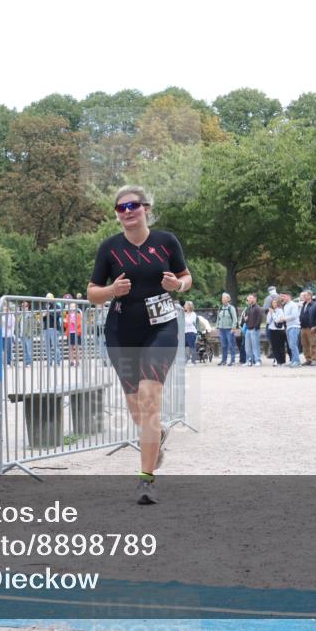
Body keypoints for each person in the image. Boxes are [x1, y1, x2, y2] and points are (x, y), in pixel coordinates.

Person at [87, 184, 192, 505]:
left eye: (133, 206)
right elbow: (92, 293)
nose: (128, 212)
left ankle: (146, 480)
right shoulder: (110, 248)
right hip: (121, 333)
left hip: (160, 331)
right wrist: (111, 291)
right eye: (121, 208)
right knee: (138, 413)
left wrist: (179, 284)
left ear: (146, 208)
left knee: (149, 401)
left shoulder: (166, 242)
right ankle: (156, 435)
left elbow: (187, 278)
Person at [299, 291, 316, 366]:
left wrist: (315, 326)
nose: (304, 296)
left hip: (311, 328)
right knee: (304, 345)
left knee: (313, 344)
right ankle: (308, 359)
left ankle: (315, 360)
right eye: (303, 295)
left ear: (310, 296)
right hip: (303, 328)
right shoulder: (304, 304)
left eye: (305, 295)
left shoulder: (315, 305)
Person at [215, 292, 237, 366]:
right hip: (222, 329)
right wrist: (217, 326)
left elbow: (235, 319)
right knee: (223, 346)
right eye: (222, 298)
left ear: (228, 299)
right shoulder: (220, 308)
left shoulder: (231, 308)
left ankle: (232, 361)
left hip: (229, 329)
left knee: (231, 345)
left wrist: (233, 327)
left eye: (224, 298)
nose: (222, 299)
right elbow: (218, 318)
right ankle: (223, 361)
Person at [41, 294, 63, 367]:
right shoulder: (45, 306)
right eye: (46, 298)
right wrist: (43, 315)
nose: (47, 300)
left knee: (55, 346)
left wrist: (48, 312)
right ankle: (49, 362)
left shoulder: (57, 306)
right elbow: (43, 318)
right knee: (47, 347)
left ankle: (58, 362)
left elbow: (56, 316)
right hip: (46, 329)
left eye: (49, 298)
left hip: (54, 328)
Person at [242, 293, 263, 367]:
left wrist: (255, 327)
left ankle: (257, 360)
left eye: (251, 298)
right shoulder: (248, 308)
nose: (249, 299)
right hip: (248, 329)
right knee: (247, 347)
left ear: (255, 299)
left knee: (255, 346)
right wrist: (245, 320)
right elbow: (245, 319)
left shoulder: (258, 308)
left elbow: (260, 318)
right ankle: (249, 360)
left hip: (254, 329)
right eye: (248, 298)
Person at [281, 292, 302, 367]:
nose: (282, 298)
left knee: (293, 344)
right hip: (288, 326)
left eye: (283, 296)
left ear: (289, 296)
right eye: (281, 296)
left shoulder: (293, 304)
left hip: (294, 326)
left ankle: (297, 361)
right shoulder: (285, 306)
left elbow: (294, 315)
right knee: (290, 345)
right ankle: (293, 360)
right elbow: (285, 316)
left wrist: (284, 318)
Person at [267, 299, 287, 366]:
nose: (274, 304)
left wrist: (273, 313)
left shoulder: (280, 310)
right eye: (273, 303)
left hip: (279, 330)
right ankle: (277, 360)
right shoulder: (270, 311)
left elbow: (277, 320)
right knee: (274, 346)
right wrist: (270, 313)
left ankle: (282, 361)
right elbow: (268, 321)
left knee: (280, 346)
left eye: (275, 303)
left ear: (278, 303)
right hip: (272, 329)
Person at [65, 302, 83, 366]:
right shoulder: (67, 315)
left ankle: (78, 361)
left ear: (76, 308)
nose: (72, 308)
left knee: (77, 348)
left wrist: (73, 322)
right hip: (69, 333)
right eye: (71, 307)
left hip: (76, 332)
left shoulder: (78, 315)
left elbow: (79, 324)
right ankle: (71, 361)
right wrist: (65, 322)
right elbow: (66, 326)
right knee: (70, 348)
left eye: (73, 307)